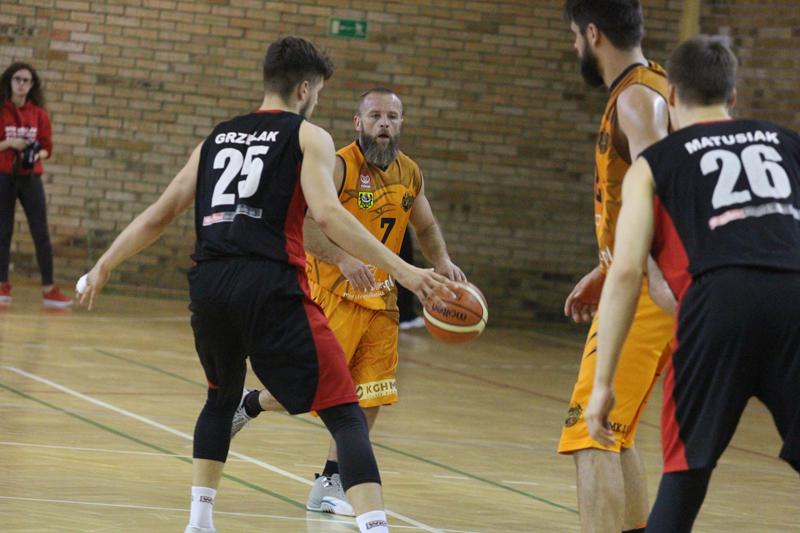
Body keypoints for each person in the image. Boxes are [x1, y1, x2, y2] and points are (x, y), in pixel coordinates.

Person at [77, 37, 454, 533]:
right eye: (318, 92)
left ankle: (199, 521)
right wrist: (404, 271)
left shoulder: (216, 138)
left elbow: (161, 213)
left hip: (209, 283)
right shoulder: (309, 136)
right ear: (305, 89)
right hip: (270, 283)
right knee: (346, 409)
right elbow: (327, 214)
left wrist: (105, 262)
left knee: (219, 397)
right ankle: (375, 526)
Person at [585, 35, 800, 533]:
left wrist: (603, 384)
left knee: (685, 480)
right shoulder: (788, 143)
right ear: (733, 95)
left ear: (673, 95)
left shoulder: (655, 163)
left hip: (718, 305)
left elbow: (626, 272)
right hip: (794, 299)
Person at [229, 87, 465, 516]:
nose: (384, 123)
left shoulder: (410, 173)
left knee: (371, 395)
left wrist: (443, 261)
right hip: (333, 296)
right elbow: (305, 223)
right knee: (313, 388)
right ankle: (249, 403)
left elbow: (426, 226)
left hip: (382, 304)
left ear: (401, 123)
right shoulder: (338, 166)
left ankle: (331, 481)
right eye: (375, 116)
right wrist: (341, 257)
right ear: (359, 122)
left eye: (392, 116)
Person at [558, 2, 676, 532]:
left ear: (592, 33)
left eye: (574, 37)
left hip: (649, 288)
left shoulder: (636, 98)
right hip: (643, 279)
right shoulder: (646, 89)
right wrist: (609, 265)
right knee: (614, 432)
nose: (574, 48)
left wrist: (637, 274)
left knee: (590, 432)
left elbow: (666, 196)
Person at [0, 62, 71, 308]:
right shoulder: (2, 111)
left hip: (30, 178)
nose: (21, 84)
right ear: (9, 82)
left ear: (32, 85)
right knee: (3, 231)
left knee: (40, 232)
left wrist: (35, 154)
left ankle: (49, 289)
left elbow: (47, 148)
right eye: (17, 79)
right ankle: (2, 284)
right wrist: (10, 144)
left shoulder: (39, 114)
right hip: (4, 176)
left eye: (26, 81)